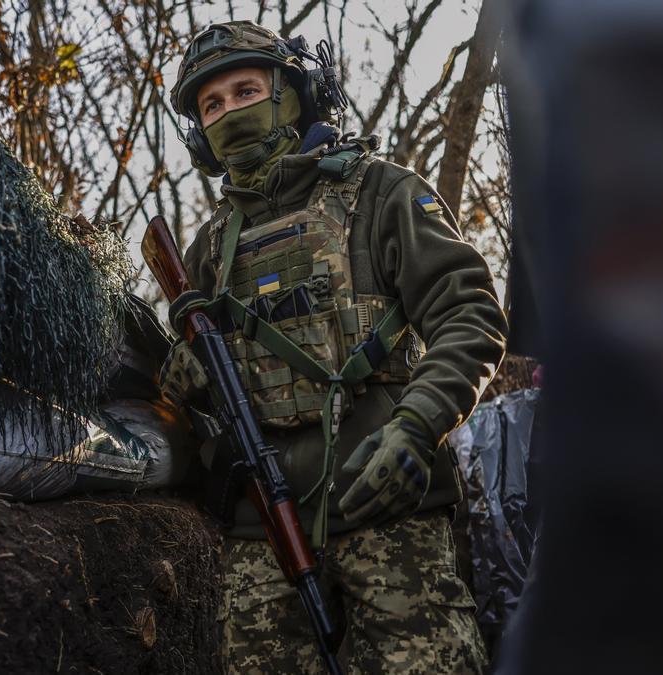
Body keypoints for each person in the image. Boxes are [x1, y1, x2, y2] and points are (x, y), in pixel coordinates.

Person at [159, 20, 507, 674]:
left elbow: (470, 313)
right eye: (212, 104)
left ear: (295, 92)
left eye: (245, 89)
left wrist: (416, 425)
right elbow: (187, 407)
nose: (230, 111)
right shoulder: (206, 252)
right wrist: (180, 374)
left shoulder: (381, 194)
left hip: (389, 509)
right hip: (263, 531)